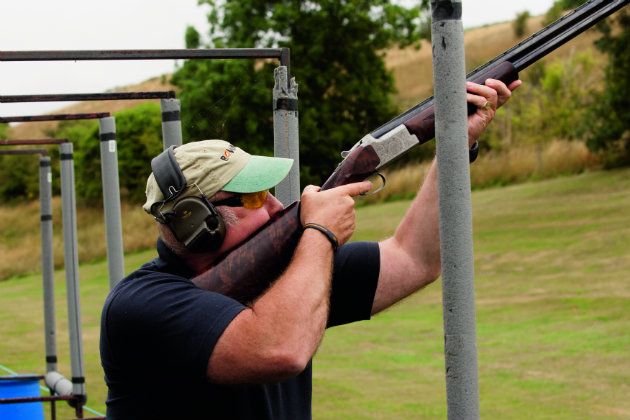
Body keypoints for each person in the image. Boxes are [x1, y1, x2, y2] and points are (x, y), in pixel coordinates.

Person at [100, 78, 520, 419]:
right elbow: (279, 349)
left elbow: (416, 259)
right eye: (252, 199)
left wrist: (454, 144)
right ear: (196, 221)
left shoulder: (282, 270)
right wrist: (320, 232)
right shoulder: (140, 305)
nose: (278, 206)